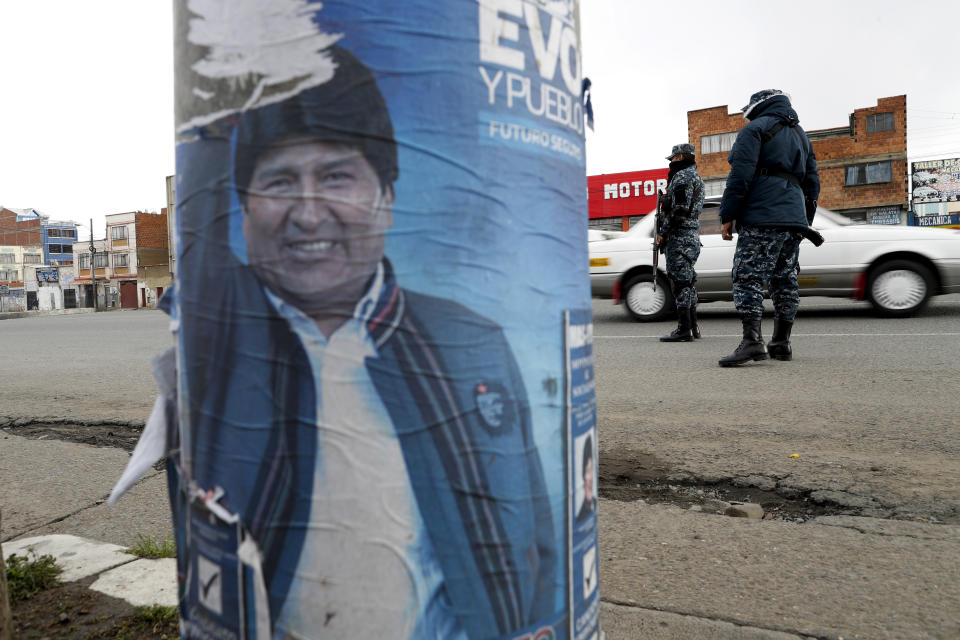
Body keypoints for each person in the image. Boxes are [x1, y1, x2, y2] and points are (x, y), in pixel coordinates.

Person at [181, 46, 557, 639]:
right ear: (245, 208)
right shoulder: (220, 338)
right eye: (279, 180)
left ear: (386, 196)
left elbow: (535, 542)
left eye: (336, 176)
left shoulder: (471, 341)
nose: (308, 213)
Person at [717, 89, 820, 367]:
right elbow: (813, 184)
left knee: (747, 276)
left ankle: (752, 342)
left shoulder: (755, 129)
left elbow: (740, 175)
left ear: (757, 106)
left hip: (763, 215)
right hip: (794, 219)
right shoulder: (801, 135)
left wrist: (728, 215)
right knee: (784, 278)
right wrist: (804, 221)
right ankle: (781, 343)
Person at [657, 143, 705, 342]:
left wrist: (663, 233)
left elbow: (679, 211)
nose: (671, 163)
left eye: (673, 159)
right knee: (688, 281)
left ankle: (684, 330)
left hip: (680, 237)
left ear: (681, 157)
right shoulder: (695, 176)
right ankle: (693, 327)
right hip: (690, 235)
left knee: (680, 283)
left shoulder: (683, 177)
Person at [576, 435, 596, 521]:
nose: (590, 478)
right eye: (587, 471)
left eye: (591, 469)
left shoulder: (595, 503)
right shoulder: (580, 516)